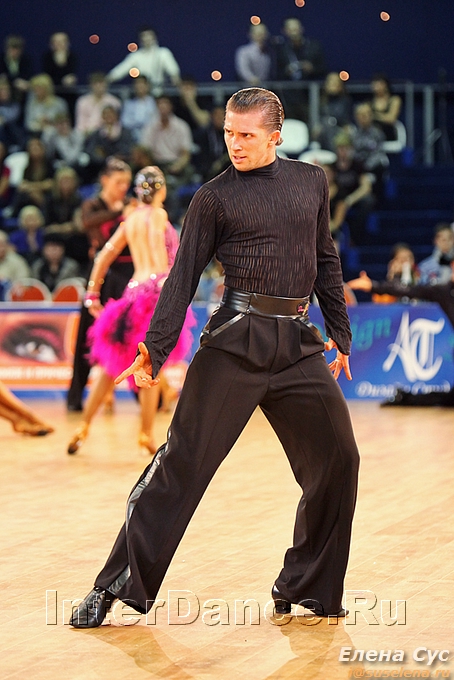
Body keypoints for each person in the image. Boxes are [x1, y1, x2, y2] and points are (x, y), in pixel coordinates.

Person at [69, 88, 359, 629]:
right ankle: (111, 586)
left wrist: (340, 333)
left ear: (276, 135)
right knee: (181, 466)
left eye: (246, 134)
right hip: (235, 342)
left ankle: (307, 584)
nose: (235, 144)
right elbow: (182, 278)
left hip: (297, 345)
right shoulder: (213, 197)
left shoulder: (311, 182)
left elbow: (325, 257)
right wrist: (155, 349)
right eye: (228, 132)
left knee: (339, 459)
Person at [67, 166, 193, 456]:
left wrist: (92, 294)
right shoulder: (158, 216)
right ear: (161, 190)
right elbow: (165, 256)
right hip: (155, 297)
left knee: (110, 366)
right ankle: (145, 433)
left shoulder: (130, 219)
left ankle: (83, 426)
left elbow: (103, 257)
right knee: (151, 365)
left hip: (130, 297)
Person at [66, 158, 134, 412]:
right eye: (118, 182)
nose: (123, 187)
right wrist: (121, 212)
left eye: (126, 182)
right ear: (104, 180)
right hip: (100, 275)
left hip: (127, 275)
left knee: (130, 334)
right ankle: (75, 397)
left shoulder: (131, 205)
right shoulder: (93, 205)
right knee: (86, 336)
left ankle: (149, 398)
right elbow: (88, 223)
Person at [347, 266, 454, 406]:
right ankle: (404, 398)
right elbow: (410, 290)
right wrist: (374, 286)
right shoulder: (445, 291)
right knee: (449, 400)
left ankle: (405, 398)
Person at [107, 27, 180, 95]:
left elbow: (172, 69)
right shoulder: (136, 56)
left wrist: (175, 77)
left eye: (149, 35)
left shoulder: (163, 53)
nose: (147, 38)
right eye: (144, 36)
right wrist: (108, 79)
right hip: (142, 94)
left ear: (154, 37)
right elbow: (121, 69)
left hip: (159, 93)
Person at [74, 72, 121, 138]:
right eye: (95, 84)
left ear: (106, 84)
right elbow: (80, 124)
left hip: (107, 135)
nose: (98, 86)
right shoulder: (82, 101)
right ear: (91, 85)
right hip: (86, 135)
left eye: (101, 83)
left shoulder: (114, 102)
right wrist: (86, 132)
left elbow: (116, 124)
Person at [121, 75, 157, 142]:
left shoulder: (154, 103)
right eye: (137, 84)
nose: (139, 86)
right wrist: (139, 123)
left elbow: (155, 121)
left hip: (151, 137)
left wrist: (137, 123)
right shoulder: (129, 104)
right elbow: (125, 122)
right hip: (132, 137)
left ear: (147, 86)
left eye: (142, 84)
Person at [370, 74, 402, 142]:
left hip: (388, 133)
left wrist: (374, 116)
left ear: (385, 85)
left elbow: (391, 119)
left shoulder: (394, 100)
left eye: (379, 84)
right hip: (371, 136)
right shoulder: (369, 102)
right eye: (374, 85)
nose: (375, 87)